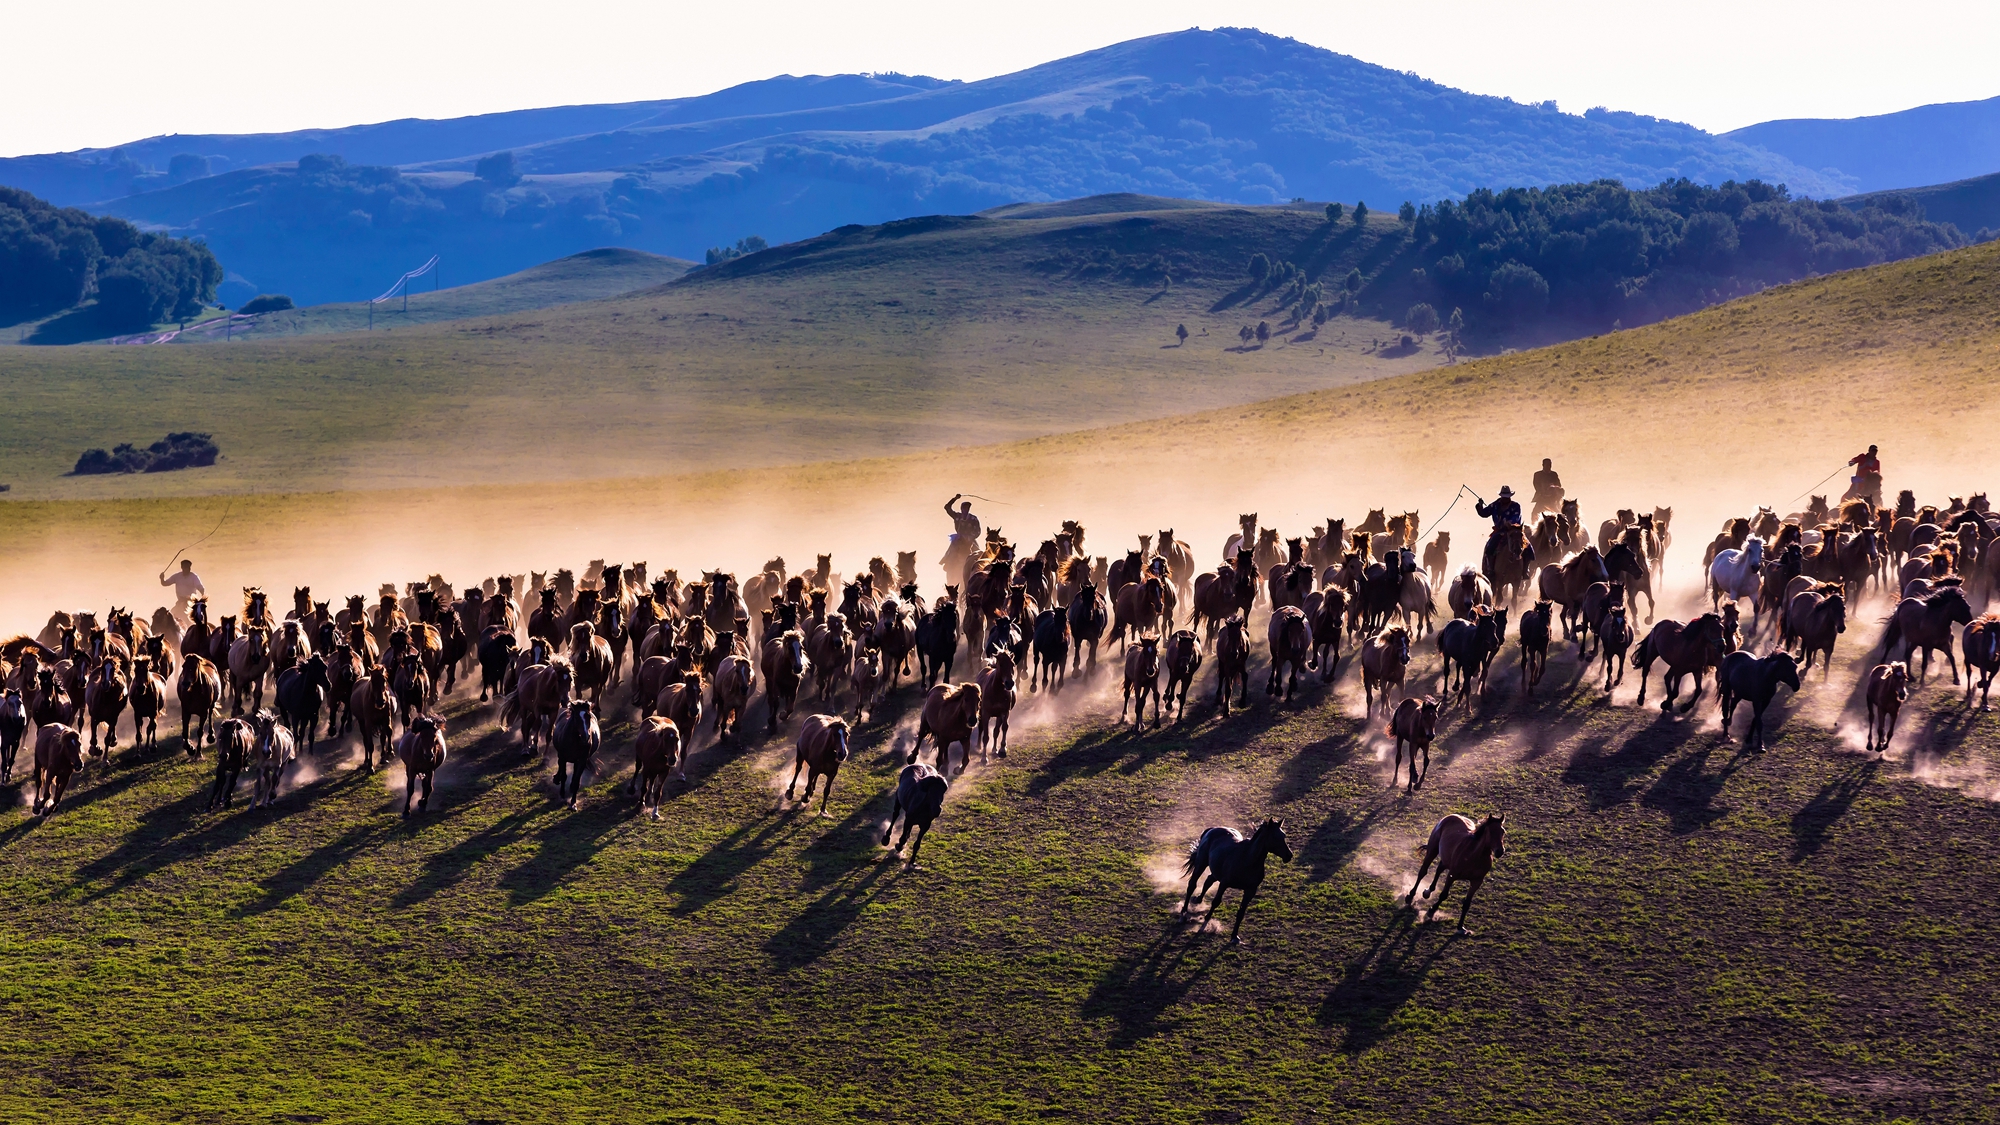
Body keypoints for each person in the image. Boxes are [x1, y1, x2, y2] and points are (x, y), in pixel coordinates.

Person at [1474, 485, 1525, 577]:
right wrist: (1480, 506)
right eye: (1504, 497)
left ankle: (1525, 570)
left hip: (1514, 531)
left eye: (1507, 497)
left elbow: (1516, 517)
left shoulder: (1516, 506)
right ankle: (1490, 569)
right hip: (1499, 532)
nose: (1505, 499)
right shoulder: (1495, 505)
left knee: (1529, 548)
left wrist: (1510, 523)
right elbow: (1484, 513)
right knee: (1489, 548)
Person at [940, 494, 982, 572]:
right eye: (964, 508)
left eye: (967, 508)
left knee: (978, 552)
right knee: (951, 550)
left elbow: (978, 531)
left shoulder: (973, 518)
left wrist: (970, 537)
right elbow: (947, 507)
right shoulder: (957, 516)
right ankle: (946, 563)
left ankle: (980, 566)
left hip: (970, 540)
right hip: (958, 538)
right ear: (961, 508)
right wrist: (955, 498)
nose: (965, 510)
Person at [160, 558, 206, 626]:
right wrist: (162, 579)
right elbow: (165, 583)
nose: (187, 569)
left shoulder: (193, 577)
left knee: (197, 617)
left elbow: (200, 586)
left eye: (188, 567)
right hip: (180, 602)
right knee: (172, 614)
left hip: (191, 602)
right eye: (185, 567)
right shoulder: (177, 576)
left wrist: (202, 595)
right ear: (182, 567)